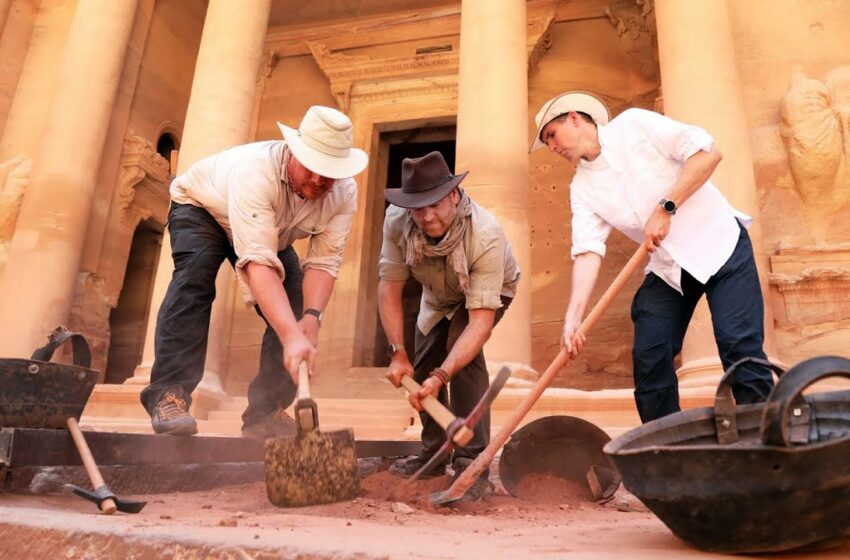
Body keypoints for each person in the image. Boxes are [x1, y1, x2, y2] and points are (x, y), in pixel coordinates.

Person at [530, 91, 774, 423]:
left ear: (574, 118)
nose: (552, 146)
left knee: (739, 346)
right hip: (670, 269)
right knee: (650, 354)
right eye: (547, 142)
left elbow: (708, 153)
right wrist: (575, 315)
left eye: (552, 135)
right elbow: (588, 250)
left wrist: (666, 207)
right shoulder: (582, 189)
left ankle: (768, 444)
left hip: (721, 247)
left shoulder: (634, 125)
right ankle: (665, 454)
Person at [140, 106, 368, 437]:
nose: (320, 180)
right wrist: (291, 337)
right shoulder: (256, 169)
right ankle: (168, 395)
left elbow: (324, 262)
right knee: (195, 280)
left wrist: (310, 319)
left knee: (293, 304)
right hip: (204, 208)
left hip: (267, 230)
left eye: (330, 172)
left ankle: (265, 413)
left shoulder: (344, 193)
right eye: (313, 168)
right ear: (293, 151)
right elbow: (258, 262)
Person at [378, 151, 520, 501]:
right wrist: (398, 353)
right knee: (423, 362)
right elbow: (390, 286)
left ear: (454, 195)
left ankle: (473, 464)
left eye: (435, 205)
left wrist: (443, 376)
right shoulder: (397, 221)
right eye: (418, 208)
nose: (426, 217)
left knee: (463, 359)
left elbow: (479, 323)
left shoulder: (485, 233)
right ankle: (434, 452)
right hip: (436, 295)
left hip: (487, 293)